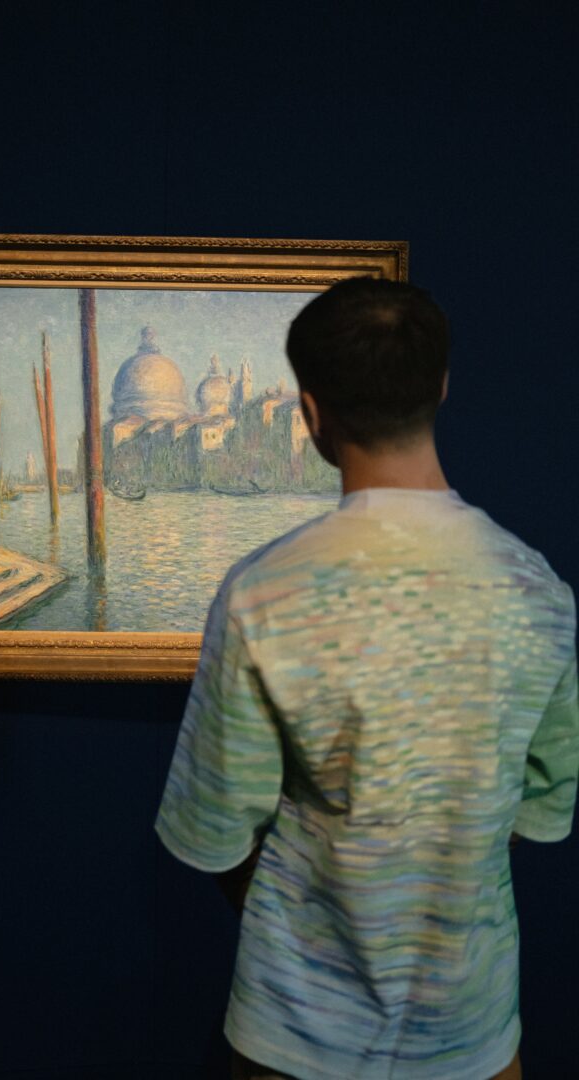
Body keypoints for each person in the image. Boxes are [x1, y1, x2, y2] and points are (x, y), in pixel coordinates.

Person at [155, 278, 579, 1080]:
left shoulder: (260, 593)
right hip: (473, 1034)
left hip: (295, 1035)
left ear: (311, 414)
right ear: (442, 387)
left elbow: (215, 833)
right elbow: (541, 810)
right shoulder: (541, 592)